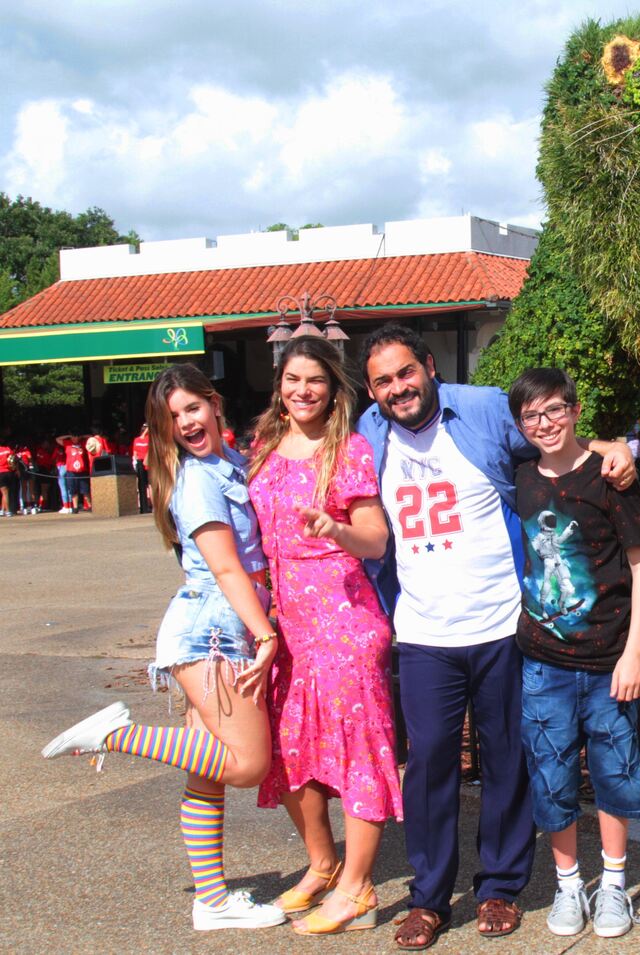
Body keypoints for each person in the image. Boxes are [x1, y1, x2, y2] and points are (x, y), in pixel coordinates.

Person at [355, 324, 634, 951]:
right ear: (372, 392)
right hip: (423, 630)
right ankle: (428, 898)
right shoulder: (368, 435)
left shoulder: (480, 408)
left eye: (406, 373)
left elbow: (553, 440)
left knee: (508, 755)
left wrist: (612, 446)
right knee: (427, 764)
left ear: (428, 367)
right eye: (383, 381)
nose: (398, 388)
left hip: (504, 621)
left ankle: (500, 888)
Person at [41, 363, 285, 932]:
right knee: (248, 764)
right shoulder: (199, 479)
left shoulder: (230, 463)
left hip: (219, 626)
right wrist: (267, 633)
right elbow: (225, 565)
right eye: (173, 418)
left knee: (208, 775)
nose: (186, 423)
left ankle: (211, 901)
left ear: (214, 402)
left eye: (192, 408)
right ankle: (113, 734)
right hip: (216, 631)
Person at [247, 337, 401, 935]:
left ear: (334, 389)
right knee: (291, 755)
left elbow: (376, 539)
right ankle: (323, 863)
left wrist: (335, 527)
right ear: (279, 387)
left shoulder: (350, 450)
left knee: (359, 753)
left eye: (315, 380)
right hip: (286, 626)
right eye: (292, 380)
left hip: (343, 621)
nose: (302, 390)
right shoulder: (261, 448)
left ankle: (359, 887)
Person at [507, 368, 640, 939]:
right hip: (543, 658)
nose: (544, 424)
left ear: (573, 409)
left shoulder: (608, 478)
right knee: (551, 776)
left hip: (607, 660)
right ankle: (569, 886)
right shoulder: (520, 476)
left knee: (615, 772)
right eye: (531, 416)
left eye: (554, 411)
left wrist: (634, 653)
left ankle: (613, 884)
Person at [132, 422, 152, 513]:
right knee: (144, 485)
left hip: (147, 463)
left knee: (149, 485)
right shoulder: (138, 440)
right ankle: (146, 505)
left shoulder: (148, 439)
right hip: (142, 463)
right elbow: (135, 453)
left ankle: (150, 504)